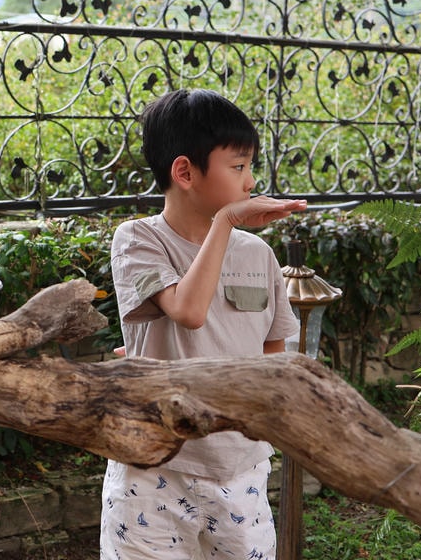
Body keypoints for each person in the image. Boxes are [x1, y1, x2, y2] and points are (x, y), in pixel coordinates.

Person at [100, 88, 307, 560]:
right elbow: (188, 312)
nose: (251, 181)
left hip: (240, 471)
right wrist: (225, 223)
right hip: (151, 468)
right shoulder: (137, 240)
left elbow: (275, 353)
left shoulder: (259, 254)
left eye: (250, 166)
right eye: (238, 167)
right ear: (184, 172)